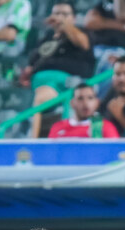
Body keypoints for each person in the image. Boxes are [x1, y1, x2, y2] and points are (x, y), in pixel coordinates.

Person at [20, 1, 96, 138]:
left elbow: (84, 43)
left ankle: (31, 143)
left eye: (64, 14)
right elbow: (33, 62)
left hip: (63, 86)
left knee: (36, 99)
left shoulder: (80, 33)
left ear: (73, 18)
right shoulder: (46, 38)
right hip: (36, 82)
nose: (59, 17)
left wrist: (65, 25)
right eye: (56, 14)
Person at [48, 83, 120, 139]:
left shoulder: (104, 126)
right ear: (72, 103)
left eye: (90, 98)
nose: (85, 103)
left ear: (97, 103)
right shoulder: (58, 127)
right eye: (80, 98)